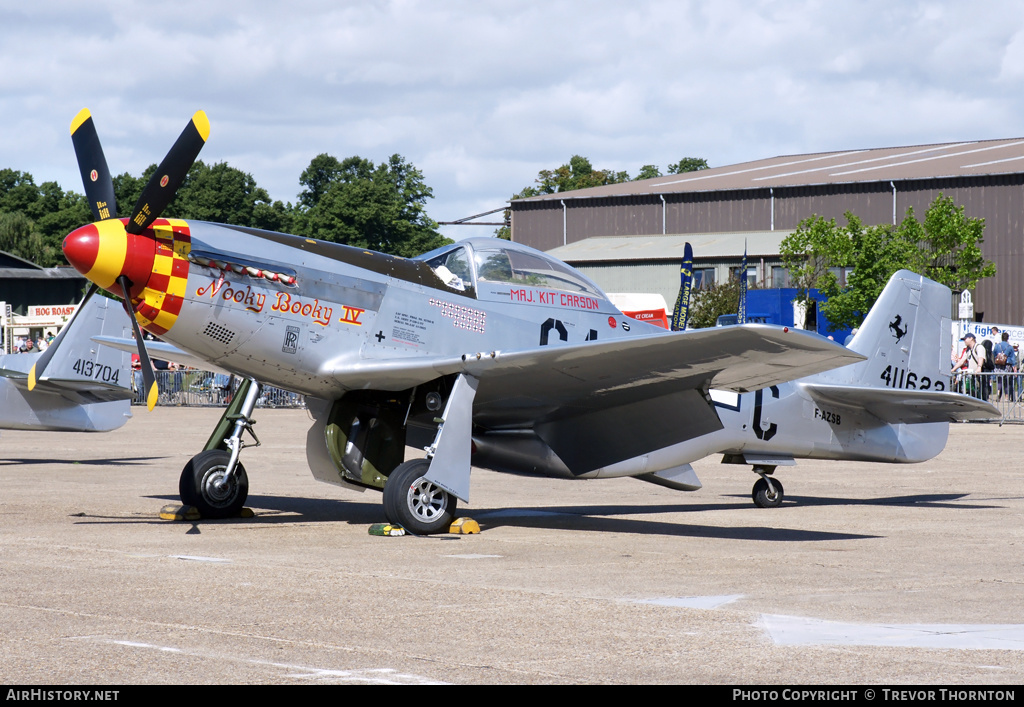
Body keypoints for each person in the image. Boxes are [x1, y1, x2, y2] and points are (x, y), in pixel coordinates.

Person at [952, 333, 986, 398]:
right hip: (972, 376)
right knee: (973, 394)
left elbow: (981, 358)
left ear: (971, 338)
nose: (964, 341)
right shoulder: (968, 350)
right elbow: (962, 361)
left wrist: (979, 368)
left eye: (965, 339)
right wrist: (953, 369)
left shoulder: (979, 347)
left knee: (980, 395)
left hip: (979, 376)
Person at [992, 332, 1015, 401]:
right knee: (1007, 381)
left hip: (999, 365)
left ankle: (998, 394)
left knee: (999, 381)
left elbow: (993, 354)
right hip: (1007, 365)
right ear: (1007, 338)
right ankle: (1006, 397)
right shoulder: (1010, 347)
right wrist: (1014, 366)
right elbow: (1012, 358)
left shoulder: (997, 346)